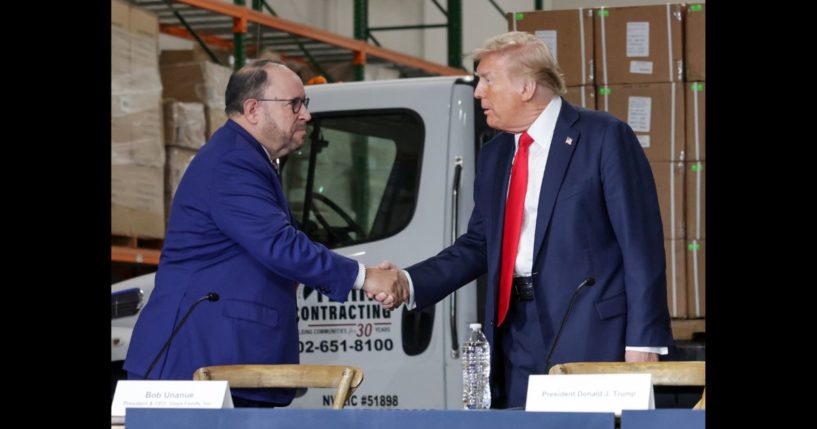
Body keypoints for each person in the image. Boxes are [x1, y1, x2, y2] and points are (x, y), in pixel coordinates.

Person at [386, 31, 673, 408]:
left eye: (487, 80)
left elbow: (641, 245)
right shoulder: (494, 155)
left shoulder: (603, 136)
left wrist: (643, 341)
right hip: (515, 333)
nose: (478, 93)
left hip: (591, 331)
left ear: (526, 86)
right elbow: (479, 244)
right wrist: (409, 281)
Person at [123, 60, 401, 408]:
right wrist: (365, 277)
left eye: (306, 104)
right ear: (253, 109)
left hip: (225, 360)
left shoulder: (248, 158)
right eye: (295, 104)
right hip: (196, 361)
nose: (306, 115)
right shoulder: (232, 163)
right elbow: (278, 244)